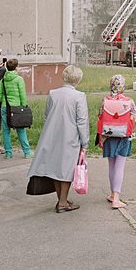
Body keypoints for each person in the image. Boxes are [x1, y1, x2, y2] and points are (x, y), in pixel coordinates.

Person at [27, 65, 89, 213]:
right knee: (67, 169)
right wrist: (84, 142)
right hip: (70, 136)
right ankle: (62, 202)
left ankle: (61, 199)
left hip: (52, 135)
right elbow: (82, 121)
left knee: (56, 167)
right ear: (78, 79)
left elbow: (47, 116)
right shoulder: (79, 96)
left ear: (64, 77)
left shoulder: (53, 93)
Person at [97, 74, 136, 209]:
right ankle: (116, 197)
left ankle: (111, 194)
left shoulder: (105, 100)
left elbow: (100, 116)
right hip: (123, 136)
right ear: (123, 86)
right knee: (120, 166)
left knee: (111, 165)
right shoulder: (129, 101)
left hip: (108, 136)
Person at [0, 58, 31, 159]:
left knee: (6, 131)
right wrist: (23, 106)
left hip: (5, 107)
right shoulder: (19, 79)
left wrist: (4, 100)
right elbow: (22, 95)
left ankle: (8, 153)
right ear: (16, 68)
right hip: (17, 108)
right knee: (21, 130)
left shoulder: (3, 80)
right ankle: (27, 152)